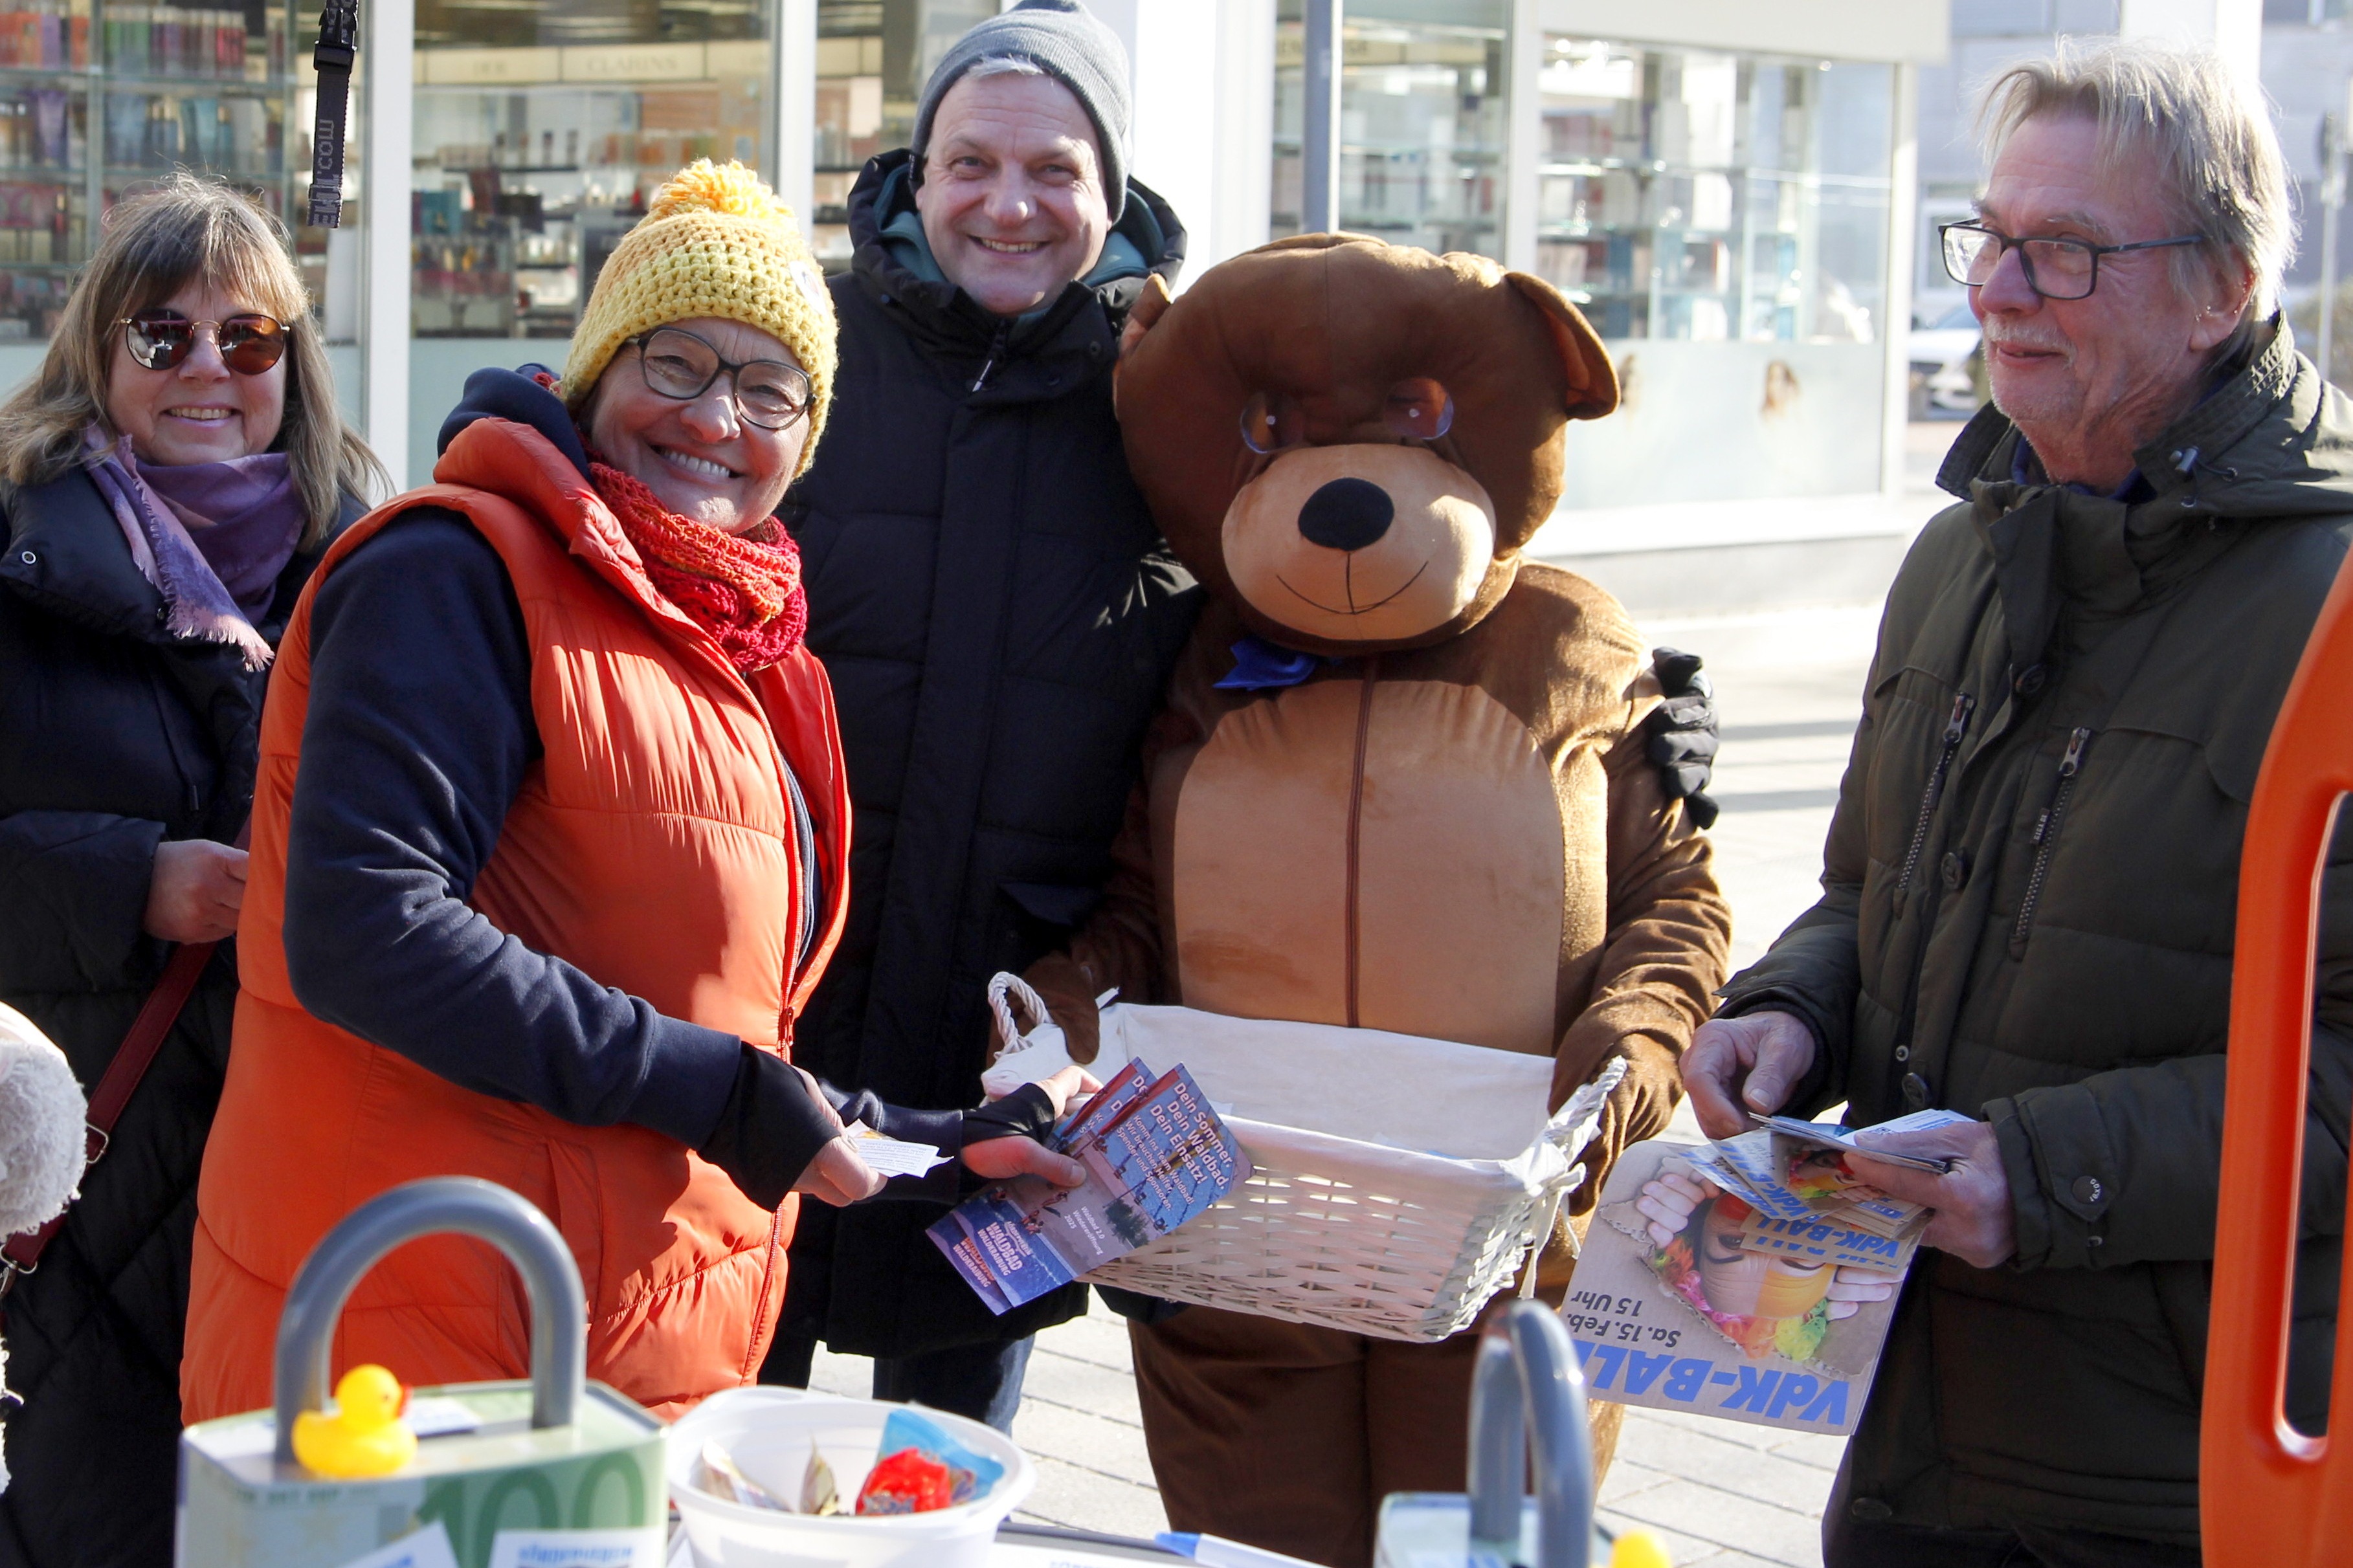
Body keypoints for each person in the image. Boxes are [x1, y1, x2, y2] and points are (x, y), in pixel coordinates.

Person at [180, 161, 1091, 1427]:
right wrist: (722, 1096)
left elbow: (711, 1016)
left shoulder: (734, 640)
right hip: (418, 1365)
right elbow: (360, 930)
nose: (721, 419)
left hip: (599, 1356)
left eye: (771, 389)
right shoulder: (456, 570)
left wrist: (929, 1144)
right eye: (678, 364)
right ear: (598, 371)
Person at [1684, 41, 2350, 1568]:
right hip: (1915, 1437)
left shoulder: (2340, 610)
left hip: (2178, 1482)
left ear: (2225, 285)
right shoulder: (1960, 557)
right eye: (1987, 237)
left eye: (2065, 252)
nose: (1993, 291)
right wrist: (1793, 1008)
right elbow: (1871, 889)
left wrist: (2051, 1176)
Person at [761, 0, 1199, 1429]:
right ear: (915, 170)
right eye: (971, 164)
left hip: (1014, 1039)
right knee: (720, 1450)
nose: (1010, 205)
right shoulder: (799, 351)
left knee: (941, 1475)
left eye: (1056, 170)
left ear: (1111, 194)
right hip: (774, 1013)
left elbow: (1313, 604)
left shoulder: (1173, 401)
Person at [0, 175, 383, 1567]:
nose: (209, 367)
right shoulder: (17, 551)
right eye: (162, 335)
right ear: (101, 353)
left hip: (313, 1178)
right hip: (85, 1196)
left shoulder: (378, 571)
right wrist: (131, 881)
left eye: (250, 337)